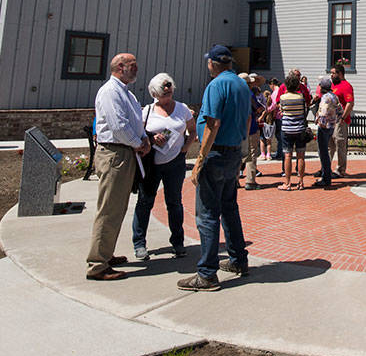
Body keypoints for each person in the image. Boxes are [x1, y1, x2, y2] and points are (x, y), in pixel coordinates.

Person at [179, 45, 250, 291]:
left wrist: (199, 159)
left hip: (216, 154)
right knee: (229, 208)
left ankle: (207, 274)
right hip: (233, 153)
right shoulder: (242, 84)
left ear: (211, 63)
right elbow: (248, 119)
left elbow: (213, 123)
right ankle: (238, 259)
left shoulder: (216, 85)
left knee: (207, 214)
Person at [86, 53, 152, 281]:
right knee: (109, 208)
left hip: (126, 153)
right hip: (115, 153)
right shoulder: (110, 92)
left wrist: (143, 140)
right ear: (120, 67)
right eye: (132, 66)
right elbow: (118, 126)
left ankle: (105, 252)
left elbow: (135, 122)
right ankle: (97, 265)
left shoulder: (127, 94)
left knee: (117, 207)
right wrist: (138, 143)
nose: (136, 69)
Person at [131, 73, 195, 260]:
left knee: (174, 203)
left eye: (170, 90)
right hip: (152, 163)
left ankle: (178, 242)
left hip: (175, 163)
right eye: (163, 92)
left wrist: (186, 147)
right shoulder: (148, 111)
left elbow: (192, 131)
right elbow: (138, 133)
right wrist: (151, 138)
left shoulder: (182, 109)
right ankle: (139, 243)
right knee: (145, 201)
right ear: (154, 93)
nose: (167, 95)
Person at [273, 70, 311, 190]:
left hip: (287, 128)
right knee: (301, 156)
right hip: (300, 129)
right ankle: (301, 182)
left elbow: (282, 110)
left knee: (288, 156)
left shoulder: (283, 97)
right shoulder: (301, 97)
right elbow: (304, 108)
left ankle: (288, 183)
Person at [312, 74, 341, 188]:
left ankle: (326, 178)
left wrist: (321, 123)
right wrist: (334, 120)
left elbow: (323, 113)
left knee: (323, 153)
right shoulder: (334, 96)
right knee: (325, 152)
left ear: (322, 87)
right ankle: (326, 176)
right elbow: (340, 110)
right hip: (332, 126)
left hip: (325, 128)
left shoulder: (325, 98)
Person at [238, 72, 266, 191]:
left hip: (237, 128)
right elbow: (258, 108)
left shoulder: (234, 93)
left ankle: (234, 180)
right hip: (251, 128)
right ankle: (250, 180)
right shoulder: (249, 94)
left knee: (237, 155)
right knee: (251, 154)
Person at [328, 63, 354, 176]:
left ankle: (340, 170)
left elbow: (350, 103)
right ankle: (326, 168)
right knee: (330, 145)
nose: (331, 75)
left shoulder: (346, 86)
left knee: (340, 144)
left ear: (340, 73)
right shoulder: (333, 85)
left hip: (340, 120)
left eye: (333, 73)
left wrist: (343, 117)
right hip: (330, 120)